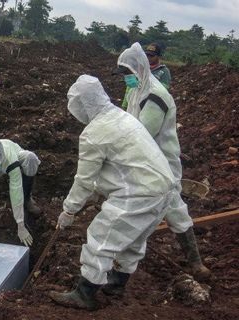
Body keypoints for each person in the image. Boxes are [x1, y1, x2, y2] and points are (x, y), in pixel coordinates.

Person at [49, 75, 178, 310]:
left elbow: (84, 181)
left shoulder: (93, 133)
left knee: (100, 238)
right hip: (163, 189)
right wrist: (99, 191)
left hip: (139, 192)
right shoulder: (122, 117)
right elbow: (120, 165)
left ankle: (85, 294)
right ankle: (117, 283)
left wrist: (69, 210)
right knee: (134, 239)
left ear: (83, 104)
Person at [116, 42, 210, 280]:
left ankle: (120, 275)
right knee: (174, 209)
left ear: (139, 69)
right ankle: (195, 264)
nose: (126, 78)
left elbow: (141, 134)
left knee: (151, 212)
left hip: (159, 165)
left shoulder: (156, 95)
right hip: (146, 164)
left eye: (128, 73)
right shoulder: (138, 90)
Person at [121, 42, 171, 109]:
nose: (148, 58)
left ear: (159, 56)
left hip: (150, 107)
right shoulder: (140, 69)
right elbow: (129, 89)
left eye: (152, 56)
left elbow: (163, 91)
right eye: (147, 55)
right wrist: (124, 105)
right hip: (133, 105)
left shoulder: (163, 71)